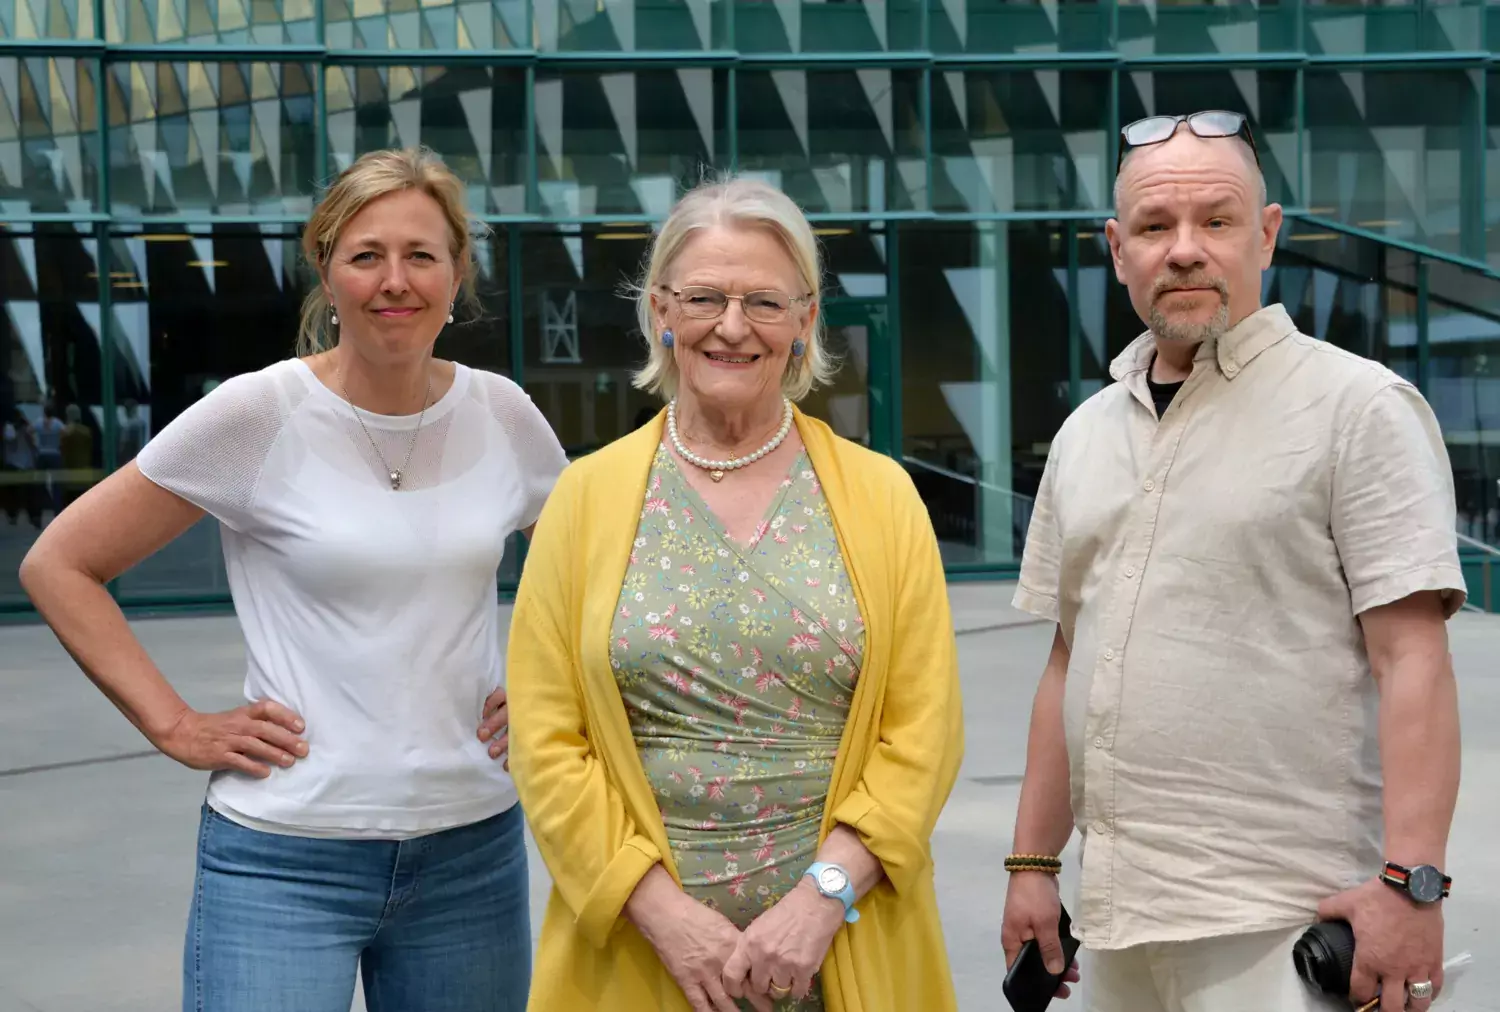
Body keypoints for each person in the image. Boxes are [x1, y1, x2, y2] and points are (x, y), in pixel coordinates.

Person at [19, 147, 569, 1012]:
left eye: (421, 255)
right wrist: (173, 723)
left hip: (471, 851)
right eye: (366, 255)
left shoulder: (503, 414)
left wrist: (553, 694)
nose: (395, 280)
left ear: (457, 273)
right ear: (325, 268)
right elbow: (60, 563)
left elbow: (593, 578)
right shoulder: (258, 413)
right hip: (284, 857)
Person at [1000, 109, 1466, 1012]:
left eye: (1216, 220)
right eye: (1154, 226)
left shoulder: (1358, 408)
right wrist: (1032, 864)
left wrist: (1414, 886)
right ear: (1117, 249)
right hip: (1120, 921)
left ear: (1267, 234)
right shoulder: (1085, 433)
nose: (1184, 250)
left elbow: (1412, 658)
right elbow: (1067, 662)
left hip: (1284, 919)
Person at [505, 177, 965, 1012]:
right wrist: (661, 913)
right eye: (705, 298)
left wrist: (823, 898)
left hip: (846, 940)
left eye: (763, 301)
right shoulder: (584, 497)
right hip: (640, 949)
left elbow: (923, 731)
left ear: (805, 320)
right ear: (661, 311)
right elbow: (546, 739)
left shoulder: (882, 495)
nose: (731, 325)